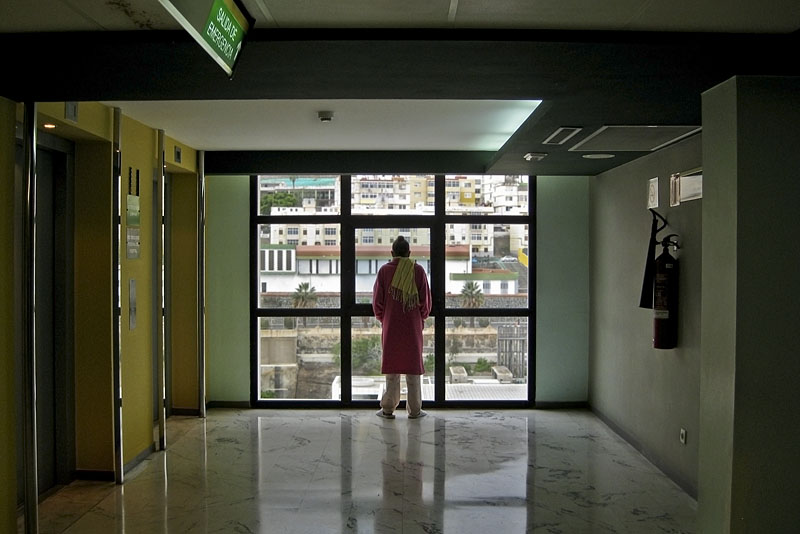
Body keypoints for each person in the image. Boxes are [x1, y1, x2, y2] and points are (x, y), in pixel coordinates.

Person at [372, 236, 432, 419]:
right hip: (412, 327)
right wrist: (418, 318)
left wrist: (386, 318)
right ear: (409, 253)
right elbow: (425, 303)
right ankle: (415, 410)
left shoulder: (384, 271)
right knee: (413, 370)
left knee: (392, 370)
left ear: (392, 253)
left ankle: (388, 408)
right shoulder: (418, 270)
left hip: (391, 327)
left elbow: (377, 303)